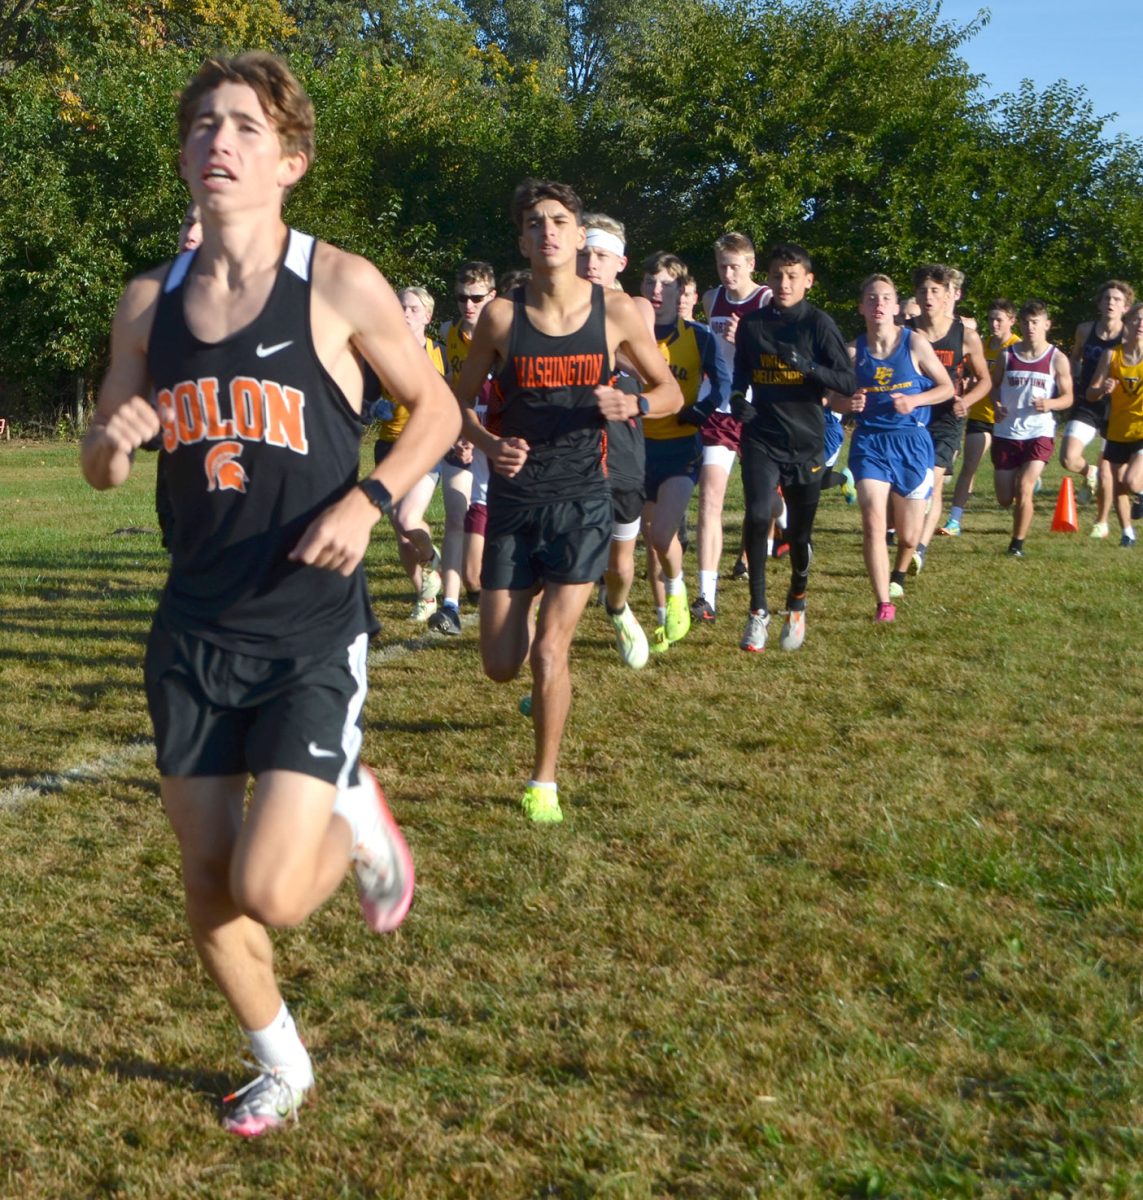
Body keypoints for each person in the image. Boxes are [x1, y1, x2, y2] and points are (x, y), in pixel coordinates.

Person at [79, 53, 461, 1136]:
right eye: (203, 124)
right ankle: (282, 1064)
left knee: (276, 891)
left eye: (245, 126)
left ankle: (358, 805)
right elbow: (101, 463)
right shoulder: (148, 305)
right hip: (192, 628)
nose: (220, 142)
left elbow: (432, 411)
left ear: (289, 159)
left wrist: (373, 499)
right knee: (209, 887)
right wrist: (112, 439)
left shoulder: (338, 283)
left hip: (305, 626)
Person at [453, 179, 680, 822]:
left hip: (584, 497)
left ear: (581, 236)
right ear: (521, 240)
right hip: (515, 498)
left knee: (553, 649)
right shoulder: (501, 316)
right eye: (534, 223)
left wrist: (633, 402)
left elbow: (669, 393)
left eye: (558, 220)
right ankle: (535, 672)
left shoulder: (616, 312)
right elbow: (455, 401)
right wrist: (488, 443)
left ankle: (543, 781)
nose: (547, 231)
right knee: (502, 664)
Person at [731, 243, 856, 652]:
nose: (784, 284)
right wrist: (737, 400)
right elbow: (740, 374)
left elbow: (848, 382)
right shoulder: (752, 325)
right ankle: (757, 612)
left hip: (806, 442)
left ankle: (797, 599)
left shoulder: (818, 324)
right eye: (777, 276)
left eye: (792, 277)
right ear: (767, 279)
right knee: (757, 512)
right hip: (761, 436)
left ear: (808, 281)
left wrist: (809, 368)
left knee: (799, 535)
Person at [831, 275, 953, 620]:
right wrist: (847, 404)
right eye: (871, 298)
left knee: (910, 537)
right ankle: (883, 602)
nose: (879, 304)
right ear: (862, 308)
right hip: (870, 442)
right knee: (872, 521)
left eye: (885, 298)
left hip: (912, 442)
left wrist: (914, 401)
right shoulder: (853, 352)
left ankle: (902, 564)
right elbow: (831, 397)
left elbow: (946, 387)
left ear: (897, 307)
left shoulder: (914, 344)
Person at [640, 251, 730, 650]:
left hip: (679, 449)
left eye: (667, 285)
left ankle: (678, 588)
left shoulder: (700, 337)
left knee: (663, 534)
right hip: (636, 448)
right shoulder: (629, 333)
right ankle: (666, 618)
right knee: (649, 539)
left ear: (681, 291)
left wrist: (701, 410)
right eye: (650, 283)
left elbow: (724, 386)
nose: (657, 291)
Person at [577, 213, 655, 668]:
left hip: (623, 443)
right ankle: (546, 664)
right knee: (567, 557)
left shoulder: (634, 306)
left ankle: (618, 607)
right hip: (571, 443)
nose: (591, 263)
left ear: (620, 263)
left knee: (620, 565)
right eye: (584, 253)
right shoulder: (554, 303)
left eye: (600, 256)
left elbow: (639, 362)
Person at [692, 232, 771, 623]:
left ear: (751, 265)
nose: (728, 274)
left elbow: (780, 354)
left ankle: (775, 531)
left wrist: (749, 339)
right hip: (720, 408)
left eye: (735, 266)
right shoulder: (711, 299)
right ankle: (706, 595)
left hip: (760, 409)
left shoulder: (768, 300)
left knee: (764, 505)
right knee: (710, 498)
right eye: (722, 266)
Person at [428, 262, 498, 636]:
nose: (468, 305)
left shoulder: (504, 333)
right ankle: (450, 606)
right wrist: (459, 429)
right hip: (462, 433)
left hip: (497, 434)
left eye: (476, 298)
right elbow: (455, 387)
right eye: (461, 298)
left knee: (496, 518)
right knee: (457, 514)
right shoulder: (449, 333)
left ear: (493, 297)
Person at [368, 285, 446, 620]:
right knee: (401, 535)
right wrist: (374, 407)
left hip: (426, 444)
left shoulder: (439, 352)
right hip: (389, 445)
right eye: (401, 307)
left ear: (427, 316)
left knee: (406, 518)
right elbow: (365, 397)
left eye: (413, 308)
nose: (405, 314)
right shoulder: (383, 351)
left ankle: (431, 559)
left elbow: (455, 397)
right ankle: (424, 596)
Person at [905, 264, 989, 571]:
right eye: (923, 291)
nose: (928, 296)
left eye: (935, 291)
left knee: (934, 480)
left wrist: (966, 401)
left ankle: (920, 548)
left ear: (947, 296)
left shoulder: (965, 336)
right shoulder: (907, 331)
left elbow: (986, 381)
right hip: (915, 415)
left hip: (947, 418)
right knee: (912, 483)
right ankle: (907, 536)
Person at [990, 299, 1073, 556]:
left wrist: (1050, 403)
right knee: (1005, 498)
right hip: (1007, 432)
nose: (1030, 327)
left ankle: (1017, 544)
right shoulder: (1007, 355)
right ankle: (1025, 483)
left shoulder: (1056, 358)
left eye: (1035, 322)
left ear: (1047, 325)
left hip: (1039, 432)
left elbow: (1068, 397)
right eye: (1025, 322)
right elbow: (991, 386)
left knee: (1023, 487)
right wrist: (997, 404)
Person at [1060, 280, 1134, 538]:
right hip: (1088, 401)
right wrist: (1072, 382)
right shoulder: (1084, 329)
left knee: (1109, 471)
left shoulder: (1130, 335)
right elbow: (1075, 358)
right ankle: (1086, 471)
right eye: (1107, 298)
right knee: (1068, 458)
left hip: (1118, 408)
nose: (1111, 303)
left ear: (1126, 307)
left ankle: (1101, 522)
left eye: (1117, 300)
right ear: (1099, 303)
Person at [940, 298, 1019, 536]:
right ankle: (955, 520)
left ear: (1012, 322)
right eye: (991, 319)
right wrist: (968, 383)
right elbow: (975, 374)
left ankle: (1026, 486)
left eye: (999, 320)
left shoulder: (1018, 347)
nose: (994, 324)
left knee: (1006, 489)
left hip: (1008, 420)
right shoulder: (980, 345)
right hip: (982, 414)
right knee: (969, 467)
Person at [1088, 301, 1143, 546]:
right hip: (1118, 429)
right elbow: (1090, 393)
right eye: (1136, 319)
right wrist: (1103, 388)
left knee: (1132, 481)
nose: (1141, 324)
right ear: (1126, 323)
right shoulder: (1112, 355)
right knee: (1120, 485)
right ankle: (1127, 533)